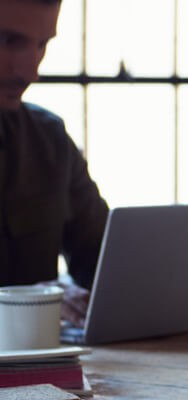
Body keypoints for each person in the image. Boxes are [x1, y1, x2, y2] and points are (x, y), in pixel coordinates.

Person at [0, 0, 109, 326]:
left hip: (46, 372)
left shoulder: (50, 139)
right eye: (8, 41)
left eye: (42, 45)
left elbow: (104, 259)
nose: (30, 71)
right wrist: (26, 305)